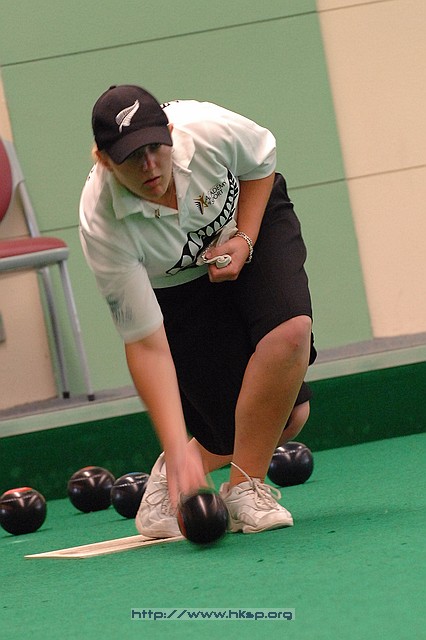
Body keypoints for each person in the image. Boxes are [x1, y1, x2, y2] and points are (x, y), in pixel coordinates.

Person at [79, 84, 316, 537]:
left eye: (155, 148)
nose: (150, 166)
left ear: (169, 134)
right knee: (287, 419)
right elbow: (145, 344)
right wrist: (176, 447)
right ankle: (173, 473)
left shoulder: (206, 129)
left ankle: (246, 490)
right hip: (176, 287)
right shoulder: (101, 222)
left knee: (291, 330)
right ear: (104, 160)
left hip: (249, 218)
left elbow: (261, 164)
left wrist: (245, 239)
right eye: (131, 157)